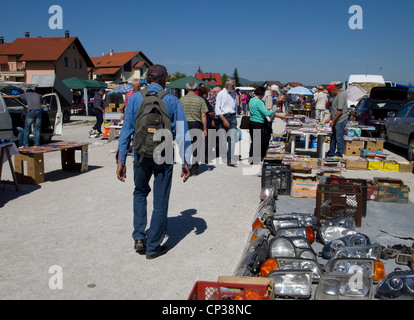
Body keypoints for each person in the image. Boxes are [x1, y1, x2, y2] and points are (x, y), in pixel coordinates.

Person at [116, 64, 191, 260]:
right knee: (160, 200)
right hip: (163, 154)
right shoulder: (173, 100)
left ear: (147, 79)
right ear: (165, 80)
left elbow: (126, 131)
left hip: (140, 152)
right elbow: (183, 134)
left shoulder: (134, 98)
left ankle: (139, 237)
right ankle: (153, 246)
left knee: (139, 192)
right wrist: (187, 161)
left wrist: (121, 159)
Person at [180, 81, 208, 175]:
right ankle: (195, 169)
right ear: (196, 89)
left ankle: (186, 167)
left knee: (186, 147)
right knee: (196, 148)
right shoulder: (200, 100)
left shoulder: (182, 100)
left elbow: (179, 115)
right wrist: (205, 129)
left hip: (185, 125)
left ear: (186, 89)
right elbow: (203, 115)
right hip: (196, 124)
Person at [248, 87, 276, 162]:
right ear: (261, 94)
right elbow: (266, 113)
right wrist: (274, 111)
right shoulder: (259, 102)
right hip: (258, 122)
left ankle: (251, 157)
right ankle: (254, 158)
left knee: (253, 140)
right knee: (257, 141)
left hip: (251, 121)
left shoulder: (251, 100)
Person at [215, 78, 238, 166]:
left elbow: (235, 107)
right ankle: (224, 156)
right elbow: (217, 109)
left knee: (232, 139)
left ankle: (230, 158)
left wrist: (235, 118)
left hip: (232, 117)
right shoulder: (221, 94)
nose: (234, 87)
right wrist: (224, 120)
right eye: (233, 85)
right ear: (227, 85)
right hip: (223, 117)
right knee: (223, 139)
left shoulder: (234, 94)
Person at [325, 84, 348, 157]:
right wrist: (329, 118)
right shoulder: (336, 97)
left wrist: (333, 121)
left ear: (334, 90)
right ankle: (331, 152)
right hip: (336, 120)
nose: (330, 94)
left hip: (340, 121)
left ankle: (339, 153)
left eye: (330, 92)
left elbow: (339, 111)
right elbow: (335, 109)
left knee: (339, 137)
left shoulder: (341, 96)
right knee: (333, 137)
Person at [198, 85, 216, 163]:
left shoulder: (196, 99)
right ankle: (205, 158)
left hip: (197, 122)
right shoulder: (204, 100)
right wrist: (214, 117)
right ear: (205, 93)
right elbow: (210, 112)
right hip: (206, 121)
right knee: (205, 141)